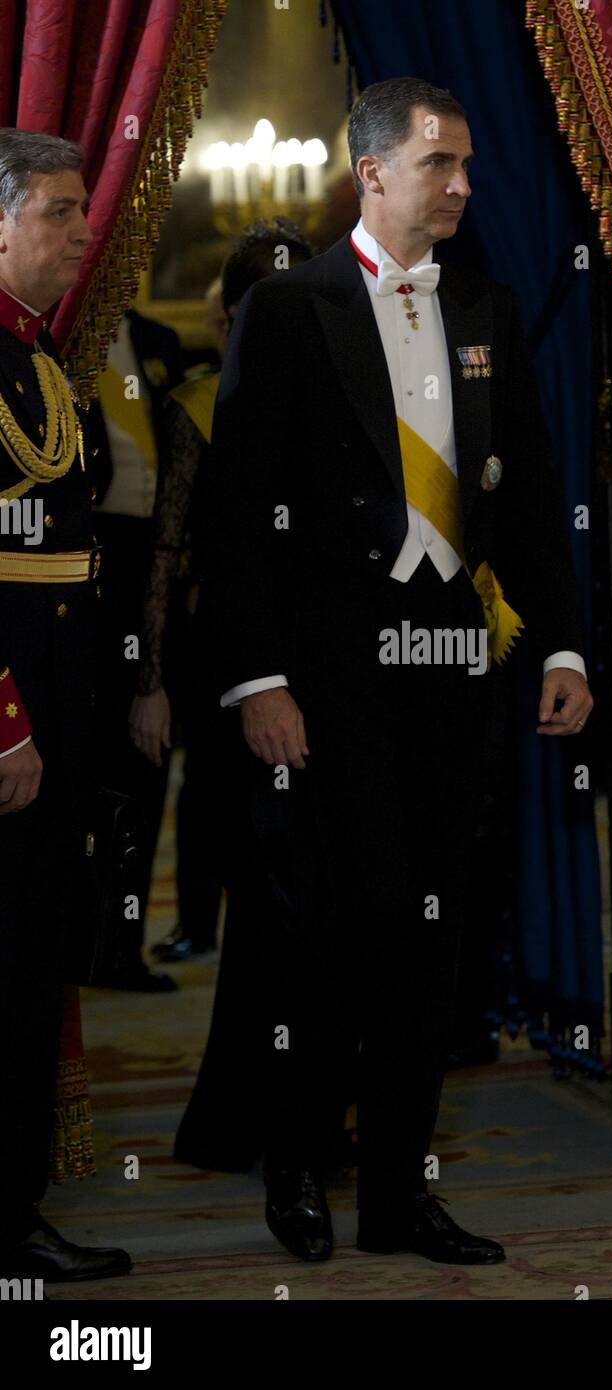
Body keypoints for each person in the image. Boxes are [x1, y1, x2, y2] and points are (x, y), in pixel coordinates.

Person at [201, 77, 593, 1266]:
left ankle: (397, 1193)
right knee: (327, 935)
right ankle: (297, 1162)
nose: (464, 185)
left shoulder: (484, 302)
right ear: (371, 172)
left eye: (468, 165)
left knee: (430, 946)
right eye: (441, 164)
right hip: (326, 685)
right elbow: (232, 517)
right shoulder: (287, 307)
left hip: (451, 678)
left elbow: (527, 495)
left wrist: (561, 643)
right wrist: (255, 679)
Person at [0, 127, 130, 1281]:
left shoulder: (40, 357)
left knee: (35, 960)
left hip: (58, 707)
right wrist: (4, 721)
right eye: (59, 210)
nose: (83, 231)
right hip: (9, 719)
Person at [131, 221, 312, 969]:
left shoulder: (342, 399)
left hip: (321, 648)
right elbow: (165, 551)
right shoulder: (198, 405)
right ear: (234, 312)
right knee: (225, 816)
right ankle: (208, 932)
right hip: (221, 651)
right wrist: (151, 683)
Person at [88, 308, 185, 992]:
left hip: (150, 567)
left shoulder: (156, 341)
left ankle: (122, 946)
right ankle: (79, 942)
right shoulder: (60, 335)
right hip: (81, 564)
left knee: (145, 760)